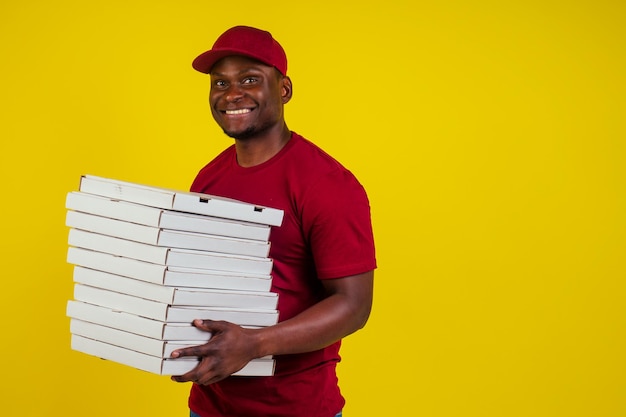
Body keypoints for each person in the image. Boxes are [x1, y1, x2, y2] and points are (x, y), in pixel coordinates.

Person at [170, 25, 377, 417]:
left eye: (250, 79)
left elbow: (354, 305)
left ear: (283, 90)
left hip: (295, 408)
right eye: (220, 83)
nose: (232, 94)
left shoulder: (328, 185)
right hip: (209, 404)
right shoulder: (208, 178)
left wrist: (254, 343)